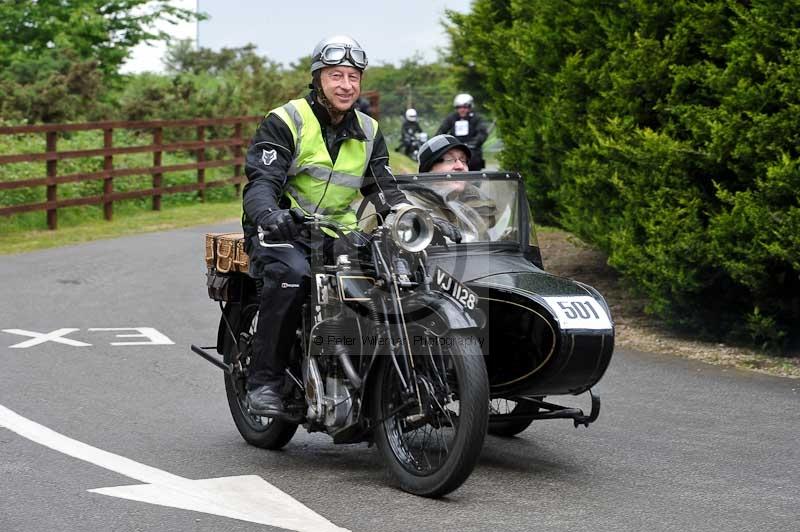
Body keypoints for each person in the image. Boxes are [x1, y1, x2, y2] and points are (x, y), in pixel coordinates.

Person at [241, 35, 460, 416]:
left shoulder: (369, 131)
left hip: (336, 232)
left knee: (396, 276)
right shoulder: (286, 120)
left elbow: (385, 189)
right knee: (293, 277)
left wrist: (420, 220)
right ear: (318, 78)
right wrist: (269, 215)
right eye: (337, 76)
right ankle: (264, 382)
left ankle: (379, 375)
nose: (346, 85)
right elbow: (261, 182)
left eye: (354, 77)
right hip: (284, 229)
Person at [435, 93, 489, 171]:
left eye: (465, 107)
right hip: (455, 149)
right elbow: (441, 131)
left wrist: (474, 143)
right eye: (459, 107)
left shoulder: (477, 118)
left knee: (474, 166)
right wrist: (442, 143)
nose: (462, 109)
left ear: (470, 107)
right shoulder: (451, 117)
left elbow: (482, 133)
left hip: (472, 150)